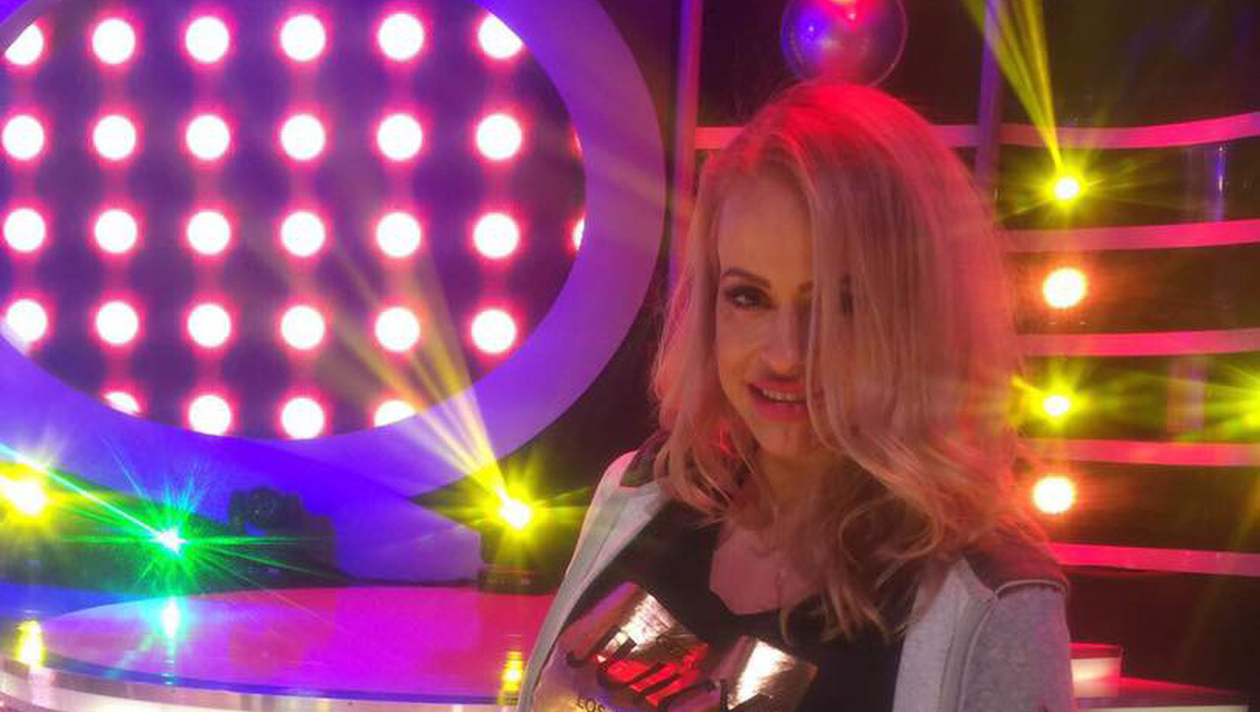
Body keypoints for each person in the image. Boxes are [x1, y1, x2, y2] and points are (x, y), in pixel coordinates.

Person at [519, 81, 1075, 712]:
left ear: (920, 319)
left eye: (840, 304)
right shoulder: (641, 495)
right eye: (748, 297)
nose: (785, 355)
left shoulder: (993, 599)